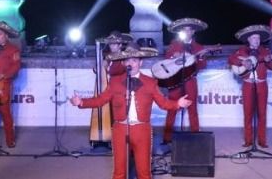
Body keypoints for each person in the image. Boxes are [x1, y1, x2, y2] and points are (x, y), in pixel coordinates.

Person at [71, 44, 192, 179]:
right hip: (120, 129)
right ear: (123, 62)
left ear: (140, 63)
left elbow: (163, 103)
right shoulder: (115, 81)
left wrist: (177, 104)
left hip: (142, 129)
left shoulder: (150, 82)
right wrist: (82, 102)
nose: (131, 63)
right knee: (119, 172)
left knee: (144, 172)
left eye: (134, 60)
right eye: (128, 60)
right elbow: (100, 100)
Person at [161, 17, 208, 144]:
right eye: (184, 30)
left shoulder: (199, 47)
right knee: (172, 108)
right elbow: (166, 59)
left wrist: (201, 59)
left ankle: (196, 136)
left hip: (190, 80)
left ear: (193, 32)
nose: (187, 32)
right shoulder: (174, 44)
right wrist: (173, 56)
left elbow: (202, 66)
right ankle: (167, 138)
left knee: (192, 109)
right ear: (181, 32)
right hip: (175, 80)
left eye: (189, 30)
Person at [228, 24, 272, 148]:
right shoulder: (241, 51)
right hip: (248, 85)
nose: (257, 40)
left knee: (262, 113)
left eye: (258, 38)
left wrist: (269, 60)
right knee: (248, 113)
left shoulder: (265, 51)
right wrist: (243, 61)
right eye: (254, 38)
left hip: (261, 85)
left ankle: (262, 140)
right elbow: (231, 59)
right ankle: (248, 140)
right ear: (248, 39)